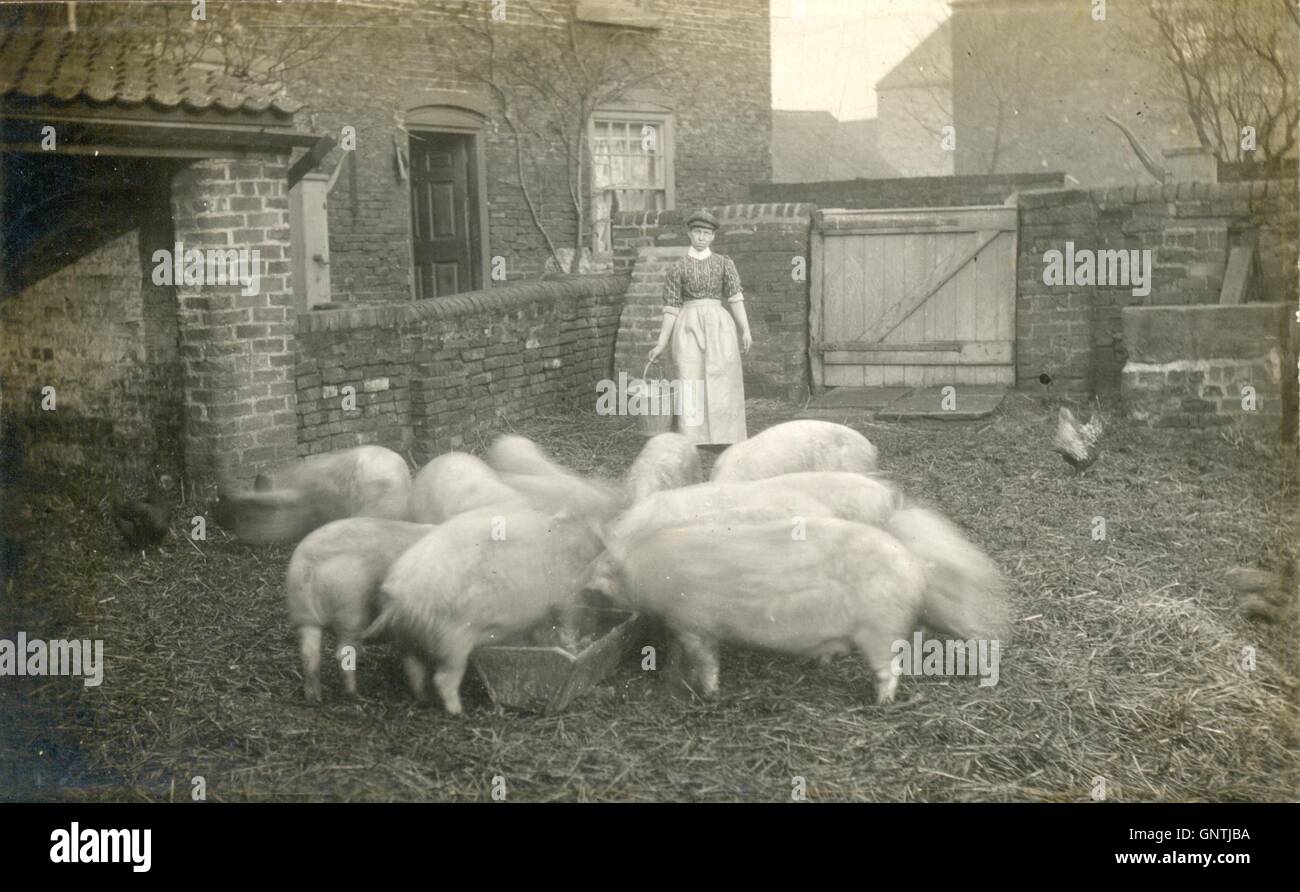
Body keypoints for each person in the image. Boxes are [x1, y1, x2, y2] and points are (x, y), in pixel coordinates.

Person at [648, 210, 752, 449]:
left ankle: (726, 436)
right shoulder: (678, 267)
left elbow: (735, 298)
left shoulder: (724, 263)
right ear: (689, 233)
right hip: (688, 325)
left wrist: (745, 329)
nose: (702, 237)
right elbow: (671, 307)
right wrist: (661, 343)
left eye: (707, 233)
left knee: (722, 375)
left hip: (719, 325)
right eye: (697, 232)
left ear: (713, 236)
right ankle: (692, 438)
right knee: (689, 376)